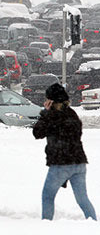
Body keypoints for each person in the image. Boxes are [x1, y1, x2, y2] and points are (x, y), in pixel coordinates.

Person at [33, 83, 97, 220]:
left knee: (47, 196)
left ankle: (46, 223)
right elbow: (77, 134)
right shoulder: (72, 114)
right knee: (82, 199)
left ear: (51, 100)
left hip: (60, 163)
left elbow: (37, 133)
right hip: (79, 162)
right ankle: (93, 223)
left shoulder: (52, 116)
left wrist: (45, 112)